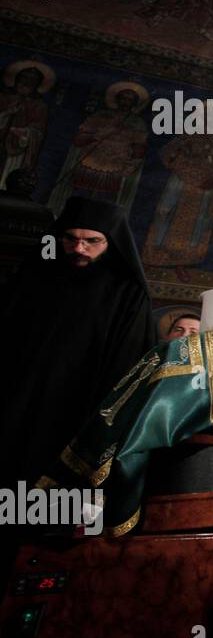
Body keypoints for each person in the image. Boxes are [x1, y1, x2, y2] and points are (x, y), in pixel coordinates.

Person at [0, 197, 154, 495]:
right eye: (70, 239)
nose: (79, 249)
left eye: (92, 241)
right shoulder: (35, 276)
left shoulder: (128, 293)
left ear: (111, 241)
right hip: (16, 395)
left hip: (75, 407)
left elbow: (127, 361)